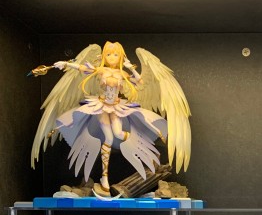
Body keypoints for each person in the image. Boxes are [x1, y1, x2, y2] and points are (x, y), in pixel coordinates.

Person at [30, 41, 191, 196]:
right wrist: (65, 64)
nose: (112, 57)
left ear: (120, 56)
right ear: (104, 56)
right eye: (108, 54)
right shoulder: (101, 70)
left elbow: (140, 81)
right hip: (101, 106)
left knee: (118, 133)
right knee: (108, 137)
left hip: (116, 107)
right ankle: (104, 179)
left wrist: (131, 68)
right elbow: (82, 68)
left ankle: (140, 143)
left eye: (115, 54)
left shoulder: (123, 73)